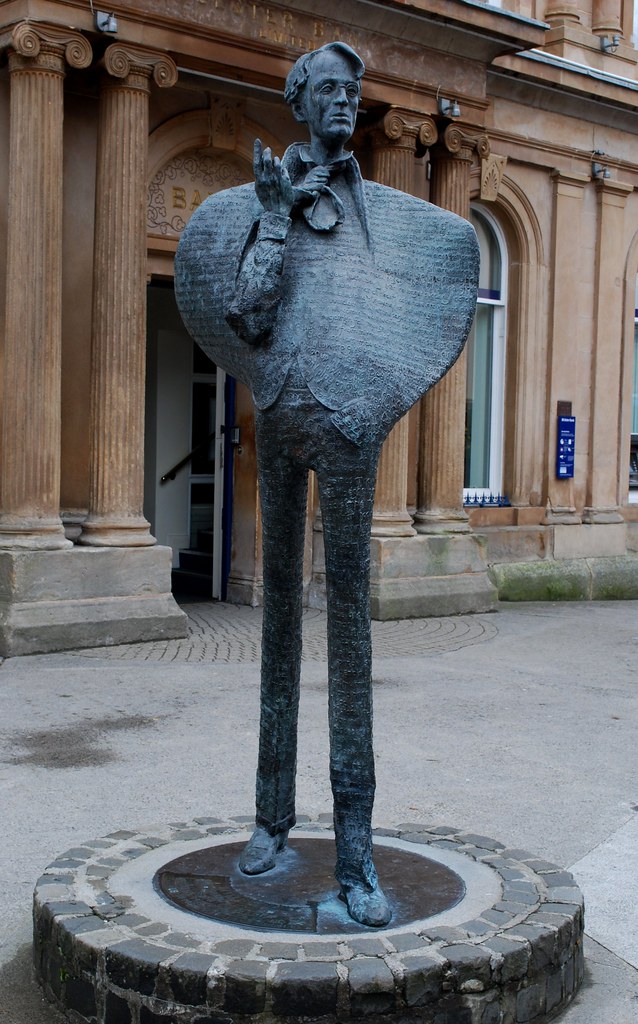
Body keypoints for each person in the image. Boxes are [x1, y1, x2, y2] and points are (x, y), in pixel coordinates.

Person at [174, 40, 478, 928]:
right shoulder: (266, 199)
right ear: (301, 102)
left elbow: (407, 303)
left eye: (355, 91)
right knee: (276, 624)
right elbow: (245, 314)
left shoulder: (387, 217)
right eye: (330, 91)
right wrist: (274, 218)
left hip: (349, 430)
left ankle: (355, 856)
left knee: (351, 636)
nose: (346, 103)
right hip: (279, 418)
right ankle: (270, 821)